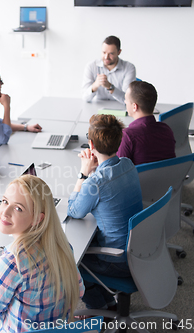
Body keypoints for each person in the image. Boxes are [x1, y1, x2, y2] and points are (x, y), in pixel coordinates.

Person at [0, 175, 85, 333]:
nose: (4, 212)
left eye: (18, 208)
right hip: (54, 327)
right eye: (5, 201)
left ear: (37, 219)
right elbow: (80, 291)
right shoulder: (62, 246)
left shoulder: (12, 262)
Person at [67, 114, 142, 311]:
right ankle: (108, 302)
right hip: (138, 251)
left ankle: (100, 309)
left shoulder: (95, 182)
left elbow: (74, 211)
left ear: (90, 144)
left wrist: (84, 173)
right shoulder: (127, 164)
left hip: (116, 260)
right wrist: (94, 171)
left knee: (69, 261)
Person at [0, 61, 42, 148]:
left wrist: (26, 127)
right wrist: (6, 106)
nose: (2, 84)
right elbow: (4, 139)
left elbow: (0, 125)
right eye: (0, 81)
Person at [117, 80, 176, 165]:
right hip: (167, 178)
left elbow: (119, 171)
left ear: (134, 106)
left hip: (138, 178)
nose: (125, 102)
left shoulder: (128, 136)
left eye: (126, 99)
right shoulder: (167, 130)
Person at [82, 36, 136, 104]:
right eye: (104, 52)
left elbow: (127, 100)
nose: (106, 57)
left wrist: (110, 87)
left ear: (119, 52)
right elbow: (85, 98)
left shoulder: (129, 68)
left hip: (120, 108)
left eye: (111, 53)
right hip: (97, 108)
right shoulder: (91, 66)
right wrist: (95, 85)